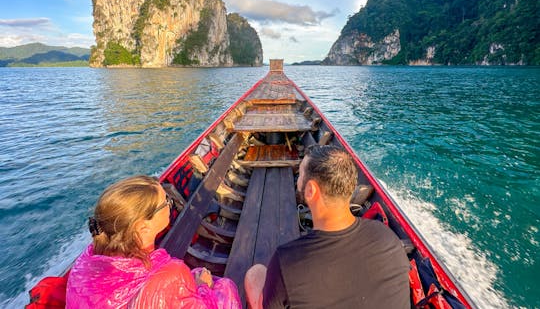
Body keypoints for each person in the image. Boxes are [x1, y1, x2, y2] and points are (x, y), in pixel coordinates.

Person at [244, 145, 410, 309]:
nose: (298, 180)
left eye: (300, 174)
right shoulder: (386, 236)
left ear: (311, 190)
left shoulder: (287, 262)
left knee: (255, 274)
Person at [66, 175, 241, 309]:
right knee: (224, 285)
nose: (171, 203)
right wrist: (203, 288)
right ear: (143, 227)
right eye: (166, 202)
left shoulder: (83, 263)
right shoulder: (172, 274)